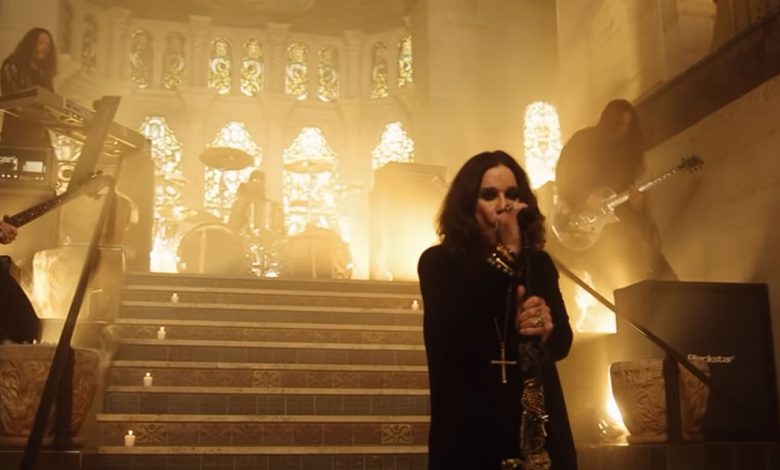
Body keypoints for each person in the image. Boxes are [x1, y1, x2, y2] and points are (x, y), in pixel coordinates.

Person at [418, 150, 577, 469]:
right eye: (490, 195)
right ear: (468, 204)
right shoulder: (439, 263)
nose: (504, 205)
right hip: (470, 421)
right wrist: (508, 252)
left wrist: (546, 327)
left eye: (512, 194)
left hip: (536, 422)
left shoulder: (537, 262)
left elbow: (562, 345)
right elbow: (453, 336)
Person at [553, 99, 676, 301]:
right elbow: (563, 178)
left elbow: (624, 197)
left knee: (656, 273)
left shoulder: (626, 154)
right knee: (615, 281)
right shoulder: (583, 142)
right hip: (589, 231)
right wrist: (584, 197)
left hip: (620, 228)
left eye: (629, 126)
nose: (624, 131)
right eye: (620, 124)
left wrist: (637, 205)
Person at [0, 27, 57, 147]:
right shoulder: (12, 65)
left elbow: (50, 102)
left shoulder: (43, 74)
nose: (45, 47)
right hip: (16, 132)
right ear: (30, 43)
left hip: (39, 134)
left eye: (48, 45)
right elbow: (14, 100)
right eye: (41, 42)